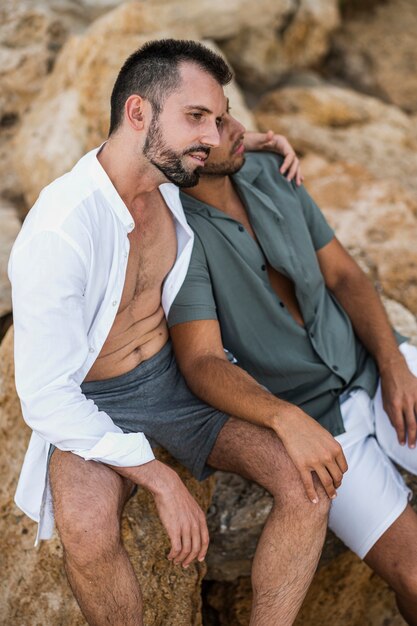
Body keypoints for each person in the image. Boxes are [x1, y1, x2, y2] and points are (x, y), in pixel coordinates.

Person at [9, 40, 343, 626]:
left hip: (177, 381)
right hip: (94, 400)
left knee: (307, 482)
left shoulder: (172, 175)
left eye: (218, 120)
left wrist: (256, 143)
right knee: (86, 531)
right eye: (197, 118)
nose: (211, 137)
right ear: (137, 112)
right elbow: (45, 397)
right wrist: (159, 479)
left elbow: (217, 154)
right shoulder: (61, 229)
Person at [168, 107, 417, 625]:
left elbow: (345, 276)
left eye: (228, 114)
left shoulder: (268, 170)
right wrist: (284, 419)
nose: (238, 130)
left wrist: (394, 364)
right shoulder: (177, 239)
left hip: (370, 367)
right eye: (213, 123)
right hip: (317, 427)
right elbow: (202, 361)